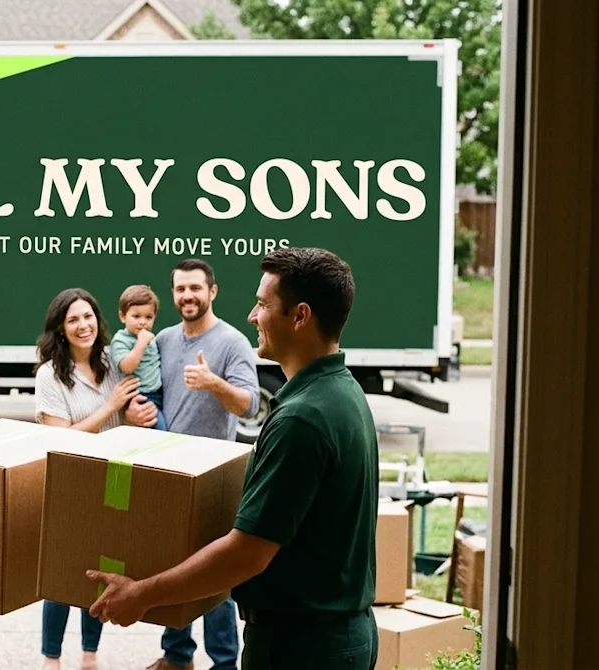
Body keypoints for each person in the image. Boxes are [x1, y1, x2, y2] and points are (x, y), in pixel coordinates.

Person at [88, 247, 381, 670]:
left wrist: (142, 594)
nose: (252, 316)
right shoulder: (341, 390)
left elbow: (246, 553)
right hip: (331, 635)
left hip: (303, 647)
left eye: (263, 304)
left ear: (300, 316)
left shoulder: (302, 418)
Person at [124, 258, 261, 670]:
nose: (188, 296)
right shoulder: (163, 339)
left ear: (212, 292)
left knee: (215, 574)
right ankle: (177, 655)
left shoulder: (232, 342)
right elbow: (148, 392)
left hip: (215, 475)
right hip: (169, 472)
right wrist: (135, 413)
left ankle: (224, 662)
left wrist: (213, 383)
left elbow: (250, 403)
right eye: (181, 289)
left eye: (195, 288)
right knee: (171, 565)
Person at [33, 287, 142, 670]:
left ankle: (90, 656)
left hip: (112, 485)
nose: (83, 325)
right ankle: (51, 658)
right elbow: (60, 438)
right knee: (62, 575)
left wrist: (134, 416)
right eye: (73, 319)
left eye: (88, 316)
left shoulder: (114, 363)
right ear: (60, 329)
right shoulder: (50, 375)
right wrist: (110, 407)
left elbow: (128, 418)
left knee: (99, 573)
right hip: (70, 486)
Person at [109, 285, 168, 431]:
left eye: (148, 317)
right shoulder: (121, 339)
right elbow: (127, 367)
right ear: (122, 316)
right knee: (161, 429)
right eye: (136, 316)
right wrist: (140, 344)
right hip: (140, 395)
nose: (142, 322)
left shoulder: (151, 338)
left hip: (158, 393)